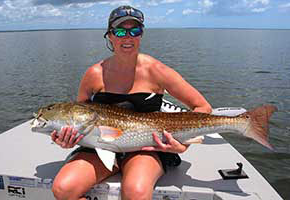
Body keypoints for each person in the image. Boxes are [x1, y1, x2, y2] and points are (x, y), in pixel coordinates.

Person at [51, 5, 212, 200]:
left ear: (141, 35)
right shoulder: (94, 74)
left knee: (135, 192)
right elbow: (78, 115)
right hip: (99, 146)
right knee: (63, 189)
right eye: (120, 31)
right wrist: (67, 139)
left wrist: (182, 145)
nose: (127, 37)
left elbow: (202, 107)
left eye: (134, 31)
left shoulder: (157, 70)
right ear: (110, 35)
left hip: (144, 147)